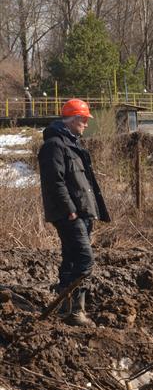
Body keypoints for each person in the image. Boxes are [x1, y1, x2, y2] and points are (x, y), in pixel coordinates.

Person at [38, 98, 110, 326]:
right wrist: (70, 211)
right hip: (69, 214)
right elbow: (54, 182)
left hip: (82, 213)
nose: (86, 124)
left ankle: (67, 310)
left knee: (71, 260)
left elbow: (83, 183)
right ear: (73, 119)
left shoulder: (73, 144)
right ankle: (72, 311)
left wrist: (90, 212)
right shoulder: (54, 146)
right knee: (84, 260)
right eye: (84, 120)